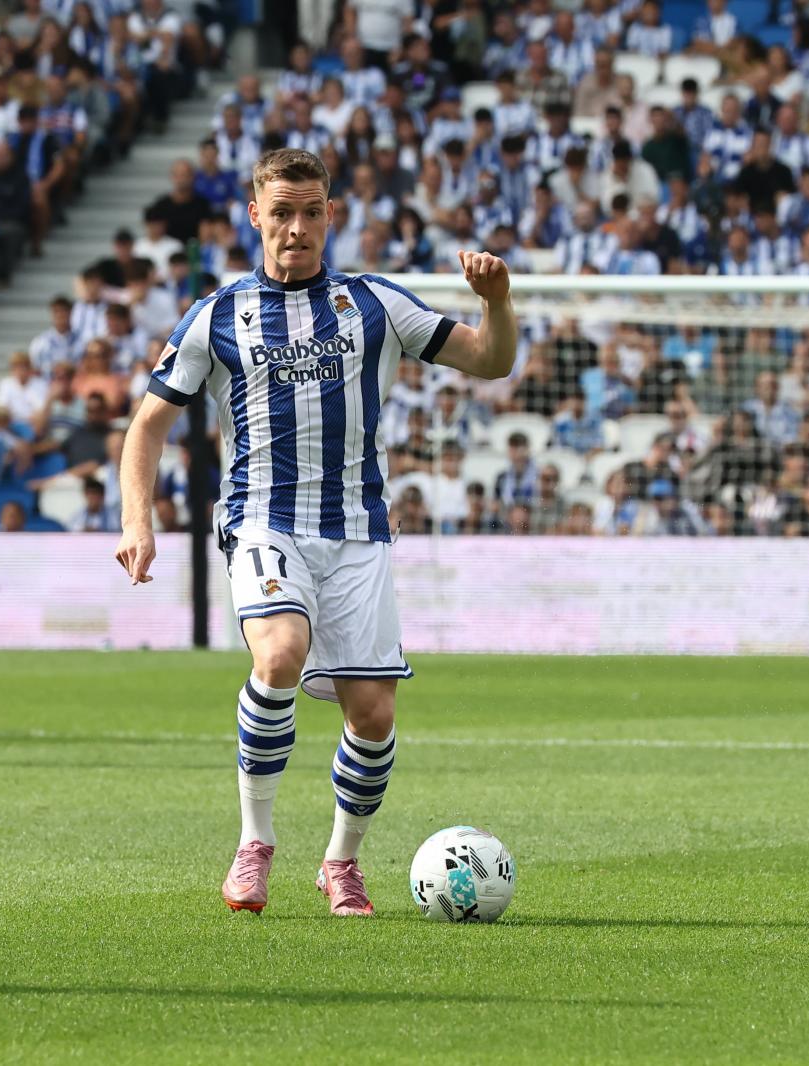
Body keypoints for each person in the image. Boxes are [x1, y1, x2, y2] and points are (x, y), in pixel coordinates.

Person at [114, 148, 516, 918]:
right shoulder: (218, 315)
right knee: (280, 652)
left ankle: (340, 863)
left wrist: (497, 301)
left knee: (373, 715)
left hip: (359, 532)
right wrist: (140, 517)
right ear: (256, 216)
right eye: (282, 213)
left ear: (330, 215)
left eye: (311, 212)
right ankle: (254, 843)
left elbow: (490, 362)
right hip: (264, 520)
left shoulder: (375, 305)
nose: (295, 228)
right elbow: (147, 426)